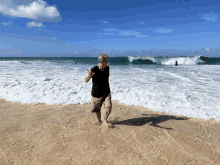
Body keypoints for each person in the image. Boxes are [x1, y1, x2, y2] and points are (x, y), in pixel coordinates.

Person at [85, 54, 113, 128]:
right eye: (106, 61)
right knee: (96, 109)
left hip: (106, 91)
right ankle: (99, 121)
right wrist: (89, 75)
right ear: (102, 61)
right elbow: (86, 80)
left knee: (109, 106)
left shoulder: (107, 68)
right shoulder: (94, 69)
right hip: (96, 93)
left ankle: (105, 121)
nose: (107, 62)